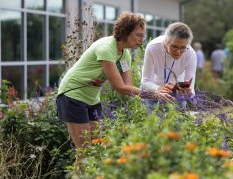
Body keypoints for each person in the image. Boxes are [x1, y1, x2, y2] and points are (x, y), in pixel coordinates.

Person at [56, 12, 174, 161]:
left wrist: (157, 89)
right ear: (125, 32)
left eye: (143, 36)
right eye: (138, 35)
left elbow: (128, 87)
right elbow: (119, 87)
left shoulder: (125, 54)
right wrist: (154, 95)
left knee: (96, 148)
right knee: (84, 151)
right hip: (72, 96)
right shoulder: (106, 48)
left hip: (91, 99)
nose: (141, 40)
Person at [141, 22, 197, 102]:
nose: (178, 52)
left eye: (183, 48)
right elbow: (145, 81)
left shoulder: (190, 53)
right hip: (153, 89)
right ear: (166, 41)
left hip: (176, 93)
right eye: (174, 47)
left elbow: (191, 88)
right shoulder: (152, 47)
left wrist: (188, 93)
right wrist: (159, 89)